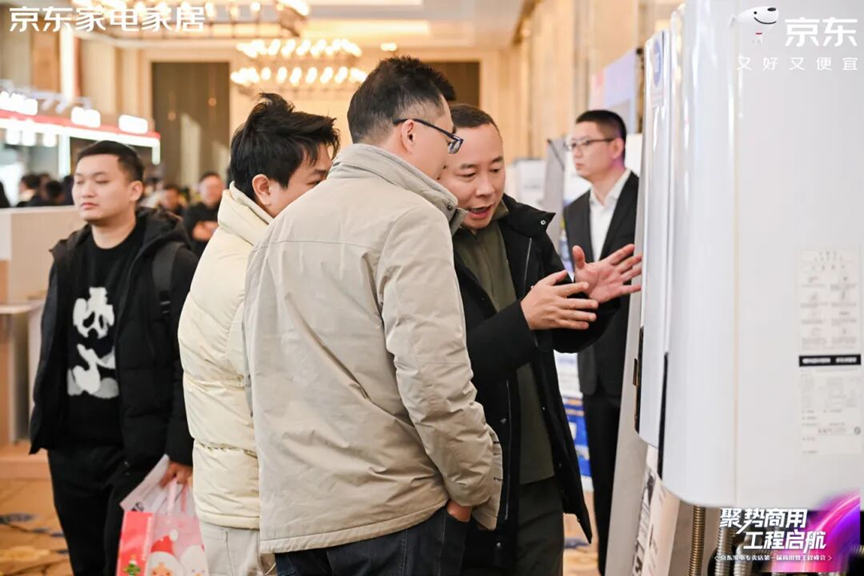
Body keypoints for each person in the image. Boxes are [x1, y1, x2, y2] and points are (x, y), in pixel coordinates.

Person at [244, 56, 502, 576]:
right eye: (448, 139)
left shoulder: (281, 227)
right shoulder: (411, 218)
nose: (447, 156)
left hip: (298, 513)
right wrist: (473, 486)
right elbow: (434, 380)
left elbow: (254, 372)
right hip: (391, 512)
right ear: (411, 133)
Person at [437, 104, 642, 576]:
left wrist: (590, 300)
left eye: (496, 168)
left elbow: (559, 336)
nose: (486, 187)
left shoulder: (524, 230)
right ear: (436, 170)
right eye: (468, 173)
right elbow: (440, 367)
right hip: (467, 481)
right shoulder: (423, 244)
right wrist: (523, 319)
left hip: (540, 473)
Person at [179, 93, 340, 575]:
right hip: (251, 507)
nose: (330, 195)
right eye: (318, 182)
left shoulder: (261, 249)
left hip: (261, 496)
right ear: (265, 188)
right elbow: (294, 395)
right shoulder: (247, 275)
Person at [29, 141, 198, 576]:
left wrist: (181, 447)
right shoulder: (67, 258)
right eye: (79, 181)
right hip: (70, 450)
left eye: (101, 181)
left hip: (138, 454)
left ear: (134, 189)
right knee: (85, 563)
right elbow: (54, 349)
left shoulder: (172, 263)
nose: (86, 190)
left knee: (128, 565)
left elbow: (190, 363)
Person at [562, 109, 640, 575]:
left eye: (584, 143)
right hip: (594, 367)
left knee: (640, 484)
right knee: (606, 485)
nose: (575, 153)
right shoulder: (574, 211)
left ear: (616, 146)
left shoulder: (648, 199)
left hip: (639, 364)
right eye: (571, 145)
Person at [184, 171, 224, 256]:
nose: (212, 191)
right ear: (200, 189)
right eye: (208, 187)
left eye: (216, 187)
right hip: (198, 257)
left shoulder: (227, 210)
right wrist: (218, 228)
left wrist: (205, 226)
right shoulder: (191, 211)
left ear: (222, 188)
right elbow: (197, 233)